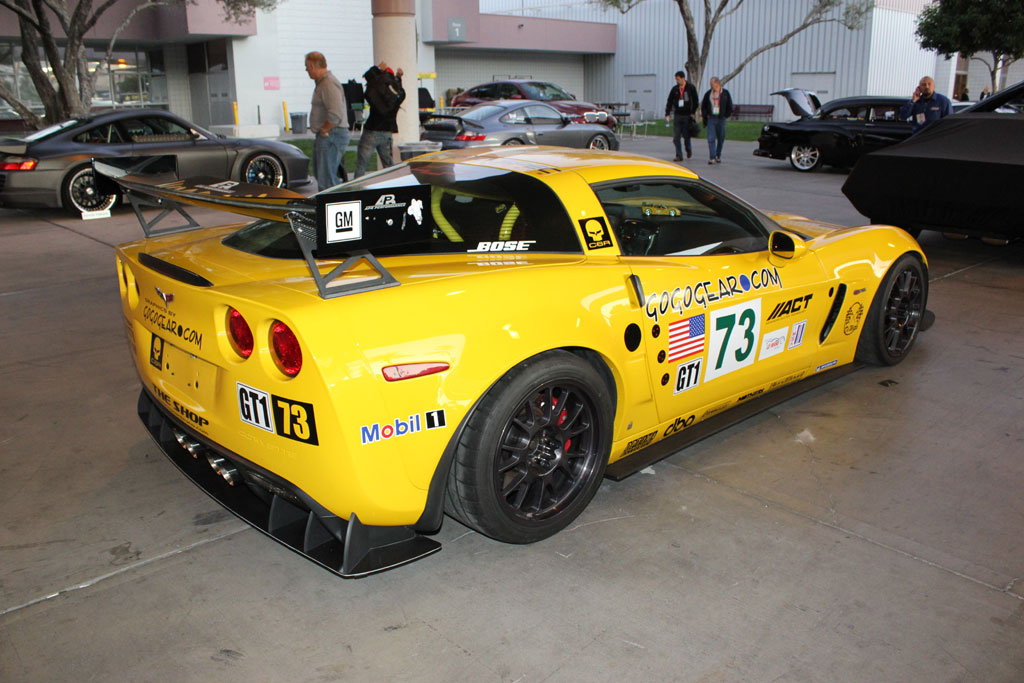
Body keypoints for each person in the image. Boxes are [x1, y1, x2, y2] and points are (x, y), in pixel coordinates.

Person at [304, 51, 349, 190]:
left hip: (332, 134)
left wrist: (324, 130)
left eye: (307, 67)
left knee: (327, 180)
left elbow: (335, 113)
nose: (306, 70)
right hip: (329, 134)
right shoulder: (322, 83)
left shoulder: (328, 84)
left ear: (313, 66)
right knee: (323, 175)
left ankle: (331, 208)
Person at [354, 62, 406, 178]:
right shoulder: (394, 98)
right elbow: (399, 93)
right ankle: (394, 186)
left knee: (361, 165)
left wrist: (382, 73)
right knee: (388, 165)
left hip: (371, 131)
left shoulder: (370, 92)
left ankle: (356, 189)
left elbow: (378, 89)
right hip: (387, 132)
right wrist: (397, 78)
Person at [664, 71, 699, 161]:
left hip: (687, 115)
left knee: (686, 136)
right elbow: (669, 101)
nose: (677, 81)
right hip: (678, 115)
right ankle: (679, 155)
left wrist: (693, 112)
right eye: (676, 79)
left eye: (678, 79)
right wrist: (667, 113)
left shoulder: (690, 88)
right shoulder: (675, 89)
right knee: (676, 137)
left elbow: (696, 101)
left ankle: (688, 149)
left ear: (683, 78)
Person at [700, 76, 733, 164]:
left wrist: (726, 115)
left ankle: (718, 154)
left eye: (712, 84)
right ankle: (712, 157)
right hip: (711, 118)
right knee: (711, 138)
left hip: (721, 118)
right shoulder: (708, 94)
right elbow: (704, 106)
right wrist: (704, 115)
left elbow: (730, 105)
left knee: (721, 138)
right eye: (710, 84)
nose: (711, 86)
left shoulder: (725, 93)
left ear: (717, 83)